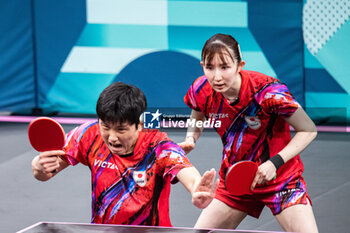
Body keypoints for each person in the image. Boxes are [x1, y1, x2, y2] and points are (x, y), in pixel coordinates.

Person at [178, 33, 319, 233]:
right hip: (235, 181)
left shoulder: (268, 92)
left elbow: (308, 129)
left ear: (240, 65)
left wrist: (275, 162)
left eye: (224, 67)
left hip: (280, 180)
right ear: (203, 66)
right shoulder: (200, 89)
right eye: (210, 67)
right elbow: (197, 115)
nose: (217, 77)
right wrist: (191, 138)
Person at [31, 82, 219, 226]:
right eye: (105, 126)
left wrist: (197, 190)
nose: (112, 138)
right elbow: (47, 171)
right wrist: (38, 168)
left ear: (139, 124)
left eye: (121, 129)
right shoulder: (88, 134)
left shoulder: (158, 146)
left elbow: (186, 173)